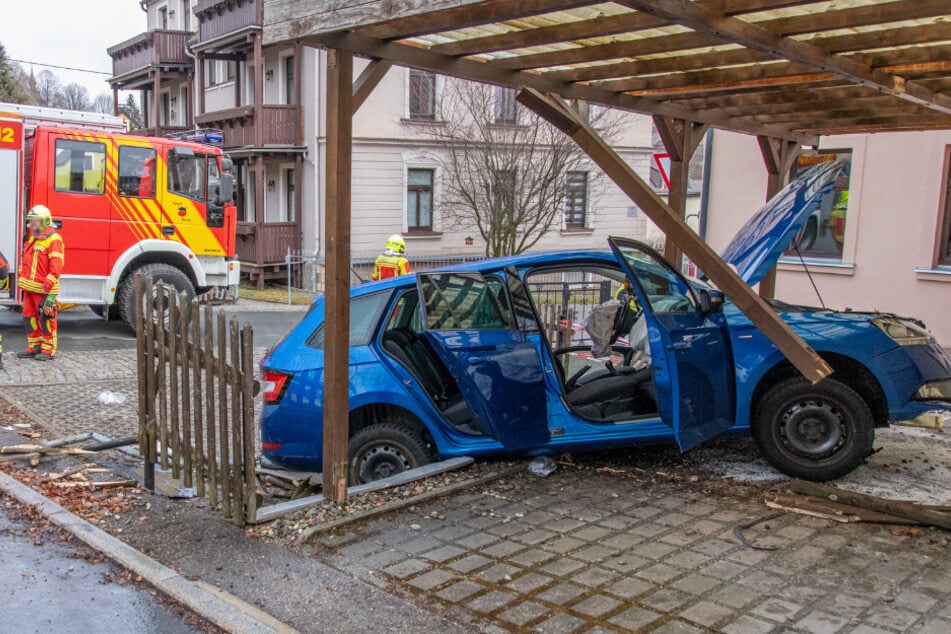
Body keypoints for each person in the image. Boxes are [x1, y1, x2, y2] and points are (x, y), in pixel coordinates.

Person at [17, 205, 64, 361]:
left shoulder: (53, 239)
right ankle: (34, 346)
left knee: (46, 318)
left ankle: (48, 349)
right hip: (30, 288)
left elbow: (56, 264)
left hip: (45, 290)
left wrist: (49, 283)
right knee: (28, 317)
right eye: (31, 221)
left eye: (34, 220)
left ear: (44, 221)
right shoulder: (35, 237)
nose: (32, 224)